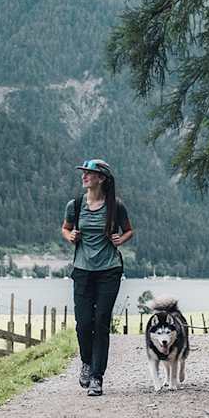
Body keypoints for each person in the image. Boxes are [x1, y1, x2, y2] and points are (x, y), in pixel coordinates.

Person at [61, 159, 134, 396]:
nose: (84, 176)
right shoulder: (76, 204)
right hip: (82, 270)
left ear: (101, 178)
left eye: (89, 173)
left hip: (109, 270)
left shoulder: (115, 206)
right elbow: (65, 228)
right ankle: (86, 362)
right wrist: (70, 235)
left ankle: (97, 377)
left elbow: (129, 230)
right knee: (83, 323)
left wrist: (121, 240)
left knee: (101, 321)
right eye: (83, 173)